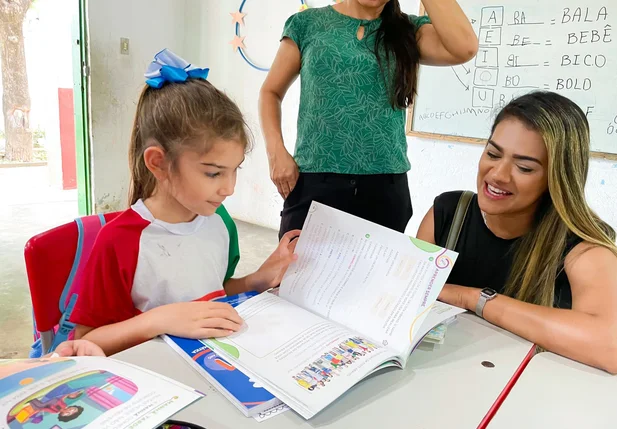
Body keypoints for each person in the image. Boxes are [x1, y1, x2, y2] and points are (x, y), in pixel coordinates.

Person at [71, 50, 300, 356]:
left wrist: (254, 280)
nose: (229, 189)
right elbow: (85, 342)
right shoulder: (120, 242)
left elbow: (210, 296)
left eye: (236, 170)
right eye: (213, 173)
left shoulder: (220, 223)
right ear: (158, 163)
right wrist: (160, 320)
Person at [415, 91, 617, 374]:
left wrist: (474, 298)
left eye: (524, 167)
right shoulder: (448, 213)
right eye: (492, 154)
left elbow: (610, 347)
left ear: (556, 177)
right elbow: (408, 295)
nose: (497, 174)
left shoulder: (584, 248)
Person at [260, 0, 478, 238]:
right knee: (297, 272)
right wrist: (275, 152)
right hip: (315, 180)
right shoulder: (307, 24)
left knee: (377, 275)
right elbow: (270, 92)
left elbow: (464, 48)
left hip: (384, 187)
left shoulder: (408, 30)